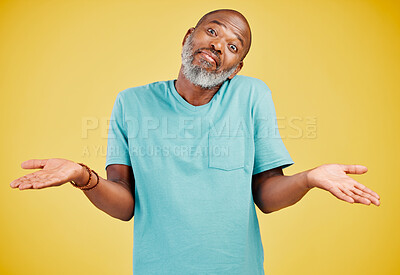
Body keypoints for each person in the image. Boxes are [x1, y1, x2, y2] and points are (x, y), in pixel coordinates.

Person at [10, 9, 380, 275]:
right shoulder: (131, 102)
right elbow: (125, 204)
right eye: (213, 32)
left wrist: (310, 178)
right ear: (188, 37)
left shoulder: (250, 95)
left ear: (236, 69)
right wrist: (82, 175)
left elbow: (266, 195)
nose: (220, 47)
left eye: (235, 47)